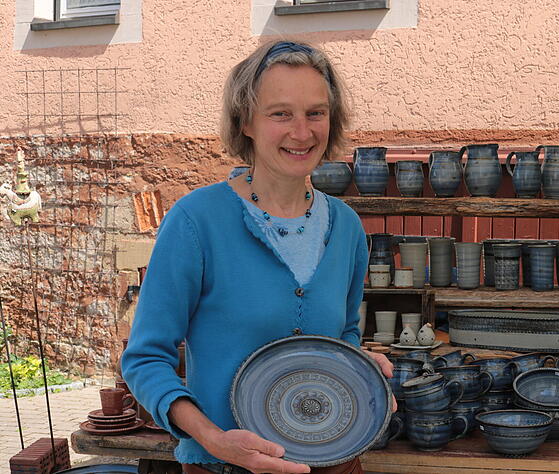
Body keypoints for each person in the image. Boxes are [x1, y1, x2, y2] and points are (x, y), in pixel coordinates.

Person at [121, 40, 394, 474]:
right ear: (246, 120)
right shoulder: (196, 221)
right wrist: (214, 440)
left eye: (315, 113)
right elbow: (144, 359)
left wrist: (360, 367)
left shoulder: (346, 227)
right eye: (280, 113)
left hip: (333, 461)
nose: (302, 132)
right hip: (222, 465)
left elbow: (342, 335)